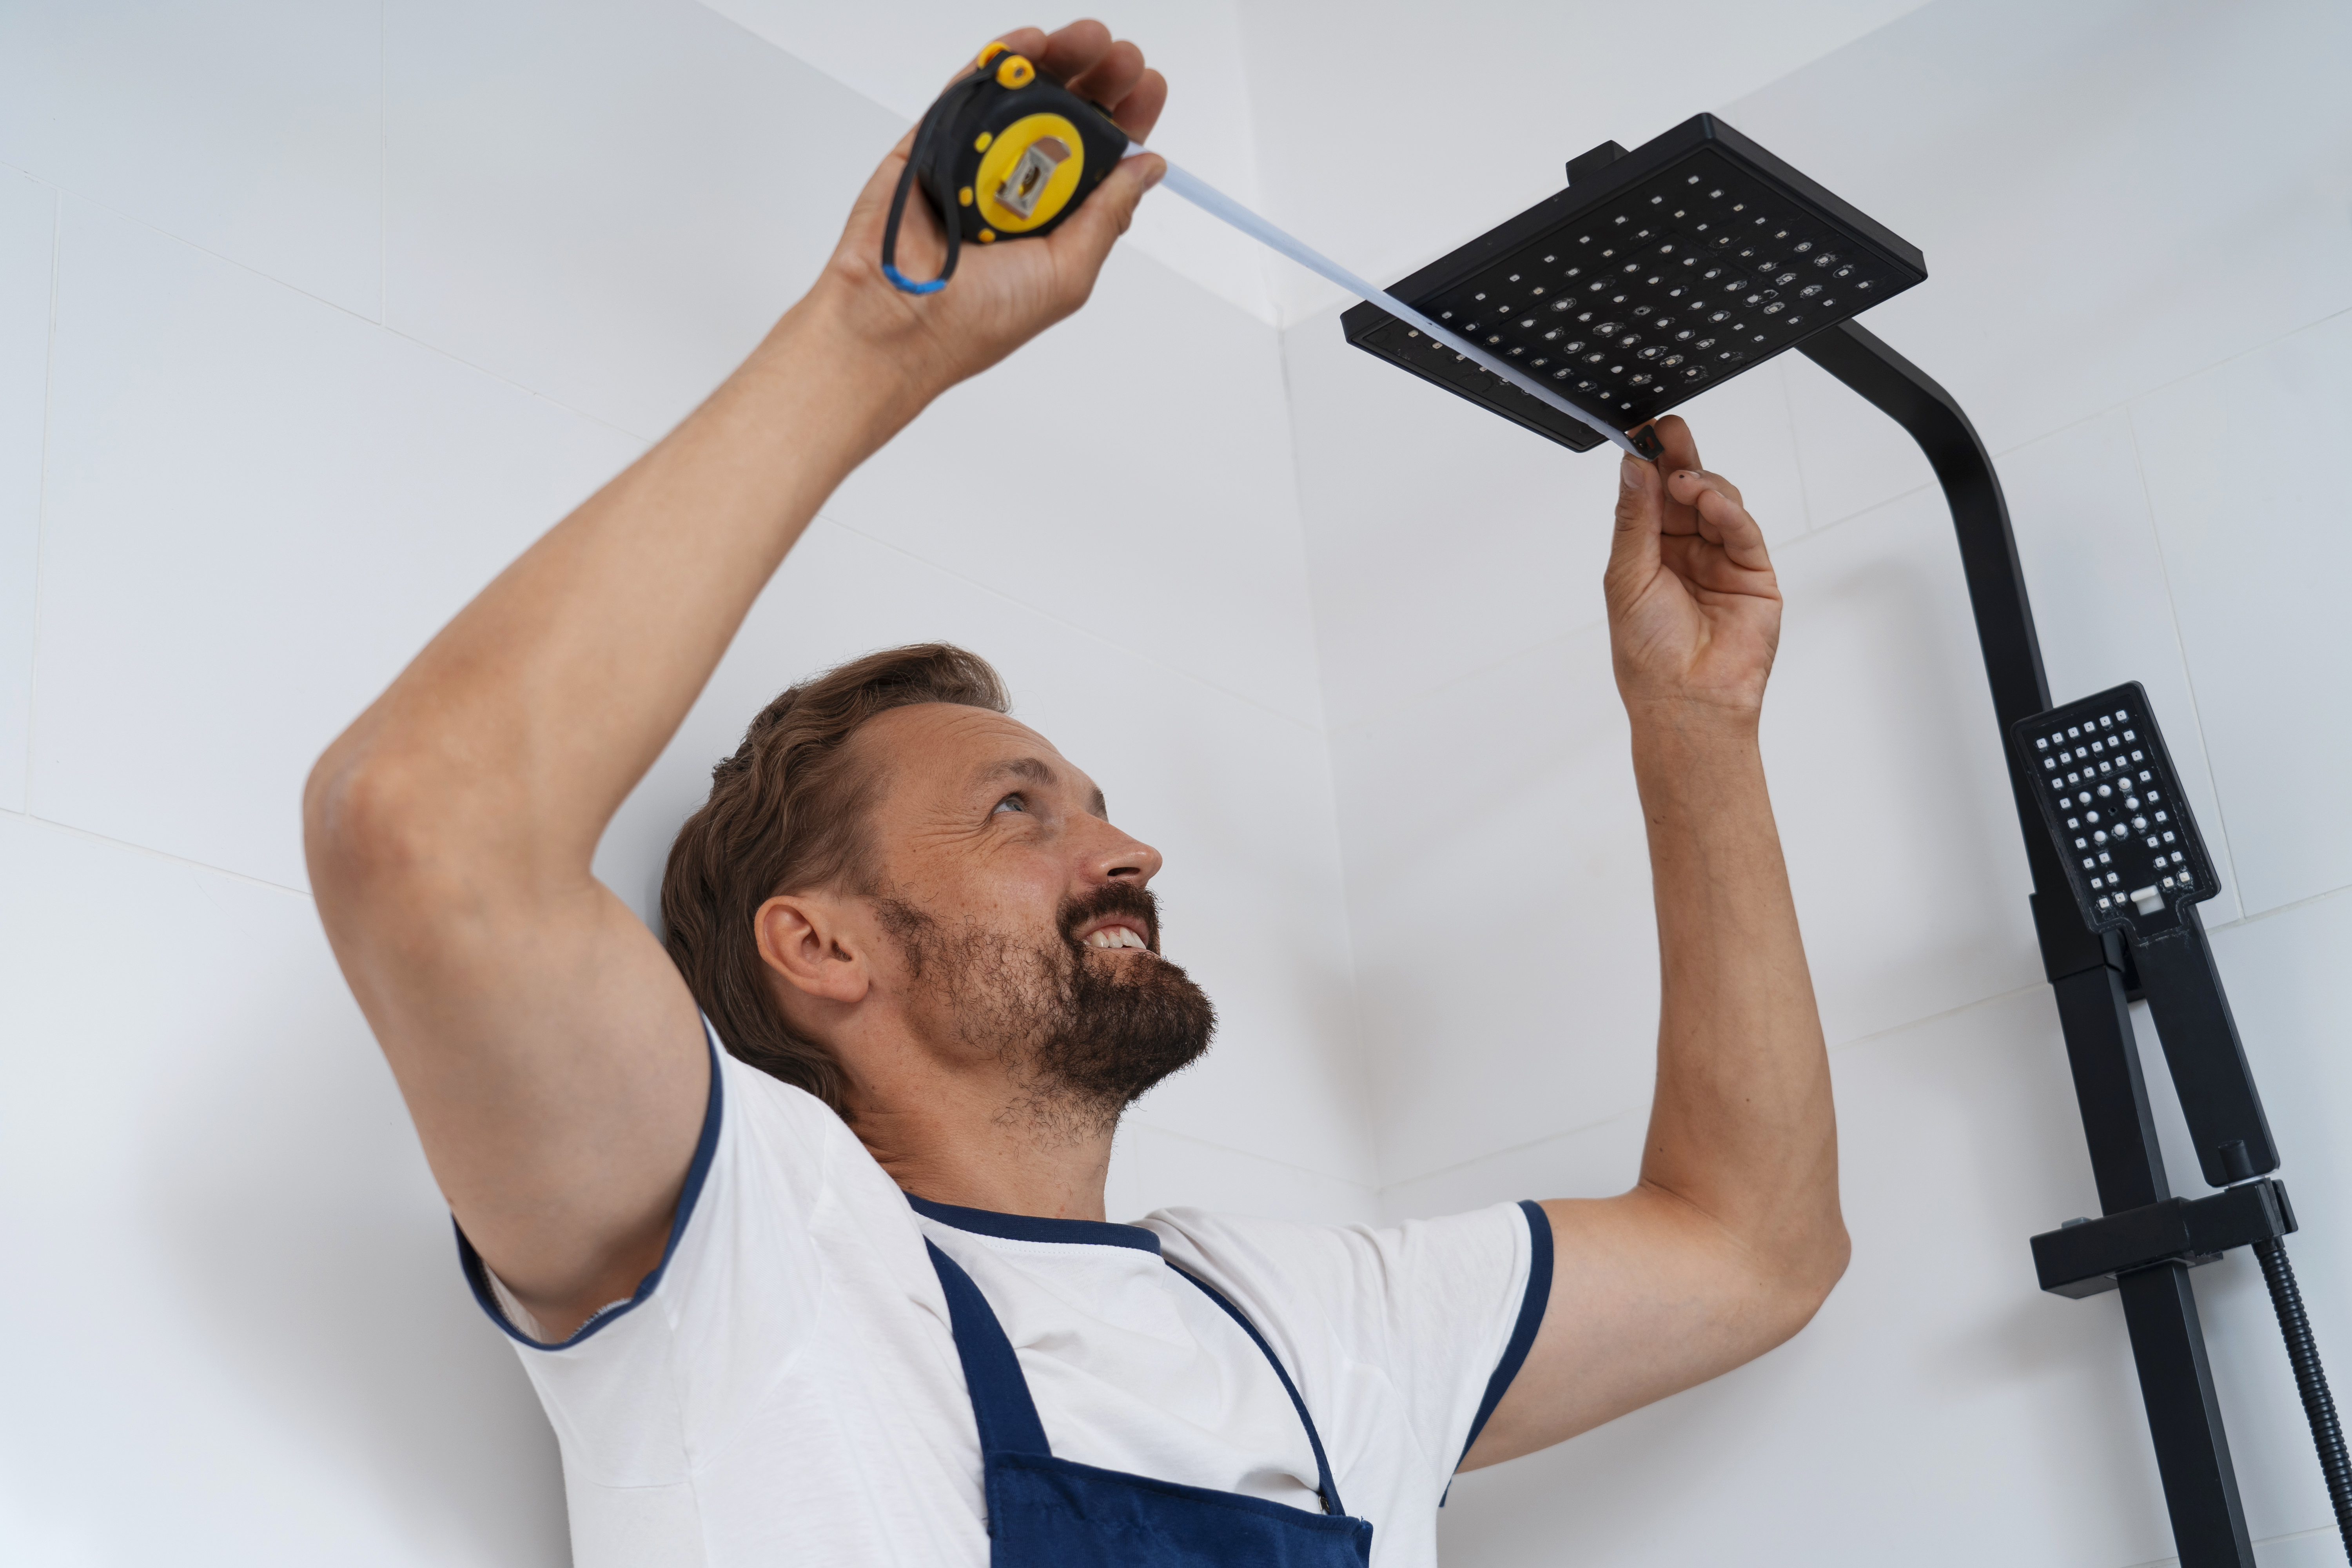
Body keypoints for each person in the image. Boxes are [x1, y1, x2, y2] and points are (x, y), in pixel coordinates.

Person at [304, 20, 1846, 1568]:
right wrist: (878, 340)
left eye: (1094, 806)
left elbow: (1754, 1248)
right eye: (1017, 811)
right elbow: (422, 829)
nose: (1129, 851)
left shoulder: (1311, 1321)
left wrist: (1697, 726)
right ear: (821, 944)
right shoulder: (742, 1253)